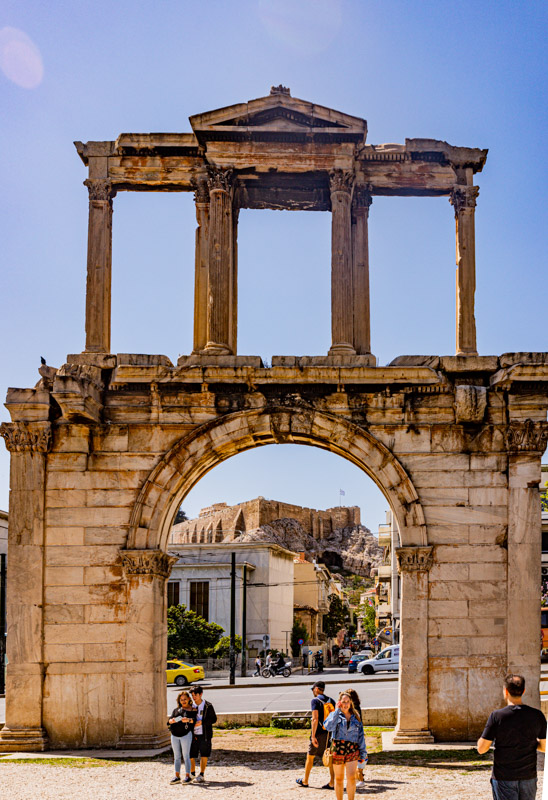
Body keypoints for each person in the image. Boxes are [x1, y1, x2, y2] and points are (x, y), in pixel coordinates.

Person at [477, 673, 546, 800]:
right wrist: (531, 742)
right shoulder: (537, 715)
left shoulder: (497, 716)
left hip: (504, 777)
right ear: (523, 691)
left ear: (505, 691)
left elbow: (482, 749)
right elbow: (544, 747)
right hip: (528, 777)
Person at [323, 691, 367, 800]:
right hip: (338, 748)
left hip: (352, 748)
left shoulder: (356, 716)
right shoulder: (335, 714)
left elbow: (361, 736)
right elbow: (328, 727)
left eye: (348, 701)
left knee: (351, 778)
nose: (346, 704)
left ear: (351, 702)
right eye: (343, 702)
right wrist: (337, 710)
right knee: (338, 779)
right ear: (339, 702)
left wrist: (363, 753)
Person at [296, 680, 335, 790]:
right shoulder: (331, 700)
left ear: (317, 689)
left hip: (318, 733)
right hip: (329, 733)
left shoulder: (315, 701)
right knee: (330, 756)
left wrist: (313, 736)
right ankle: (332, 782)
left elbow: (315, 718)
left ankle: (305, 780)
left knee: (310, 756)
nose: (313, 691)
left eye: (313, 689)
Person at [168, 690, 197, 784]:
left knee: (186, 756)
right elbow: (168, 722)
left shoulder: (193, 710)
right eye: (181, 700)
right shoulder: (176, 710)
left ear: (189, 699)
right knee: (176, 756)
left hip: (186, 735)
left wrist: (188, 720)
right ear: (179, 701)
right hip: (174, 735)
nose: (183, 701)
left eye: (185, 699)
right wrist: (171, 721)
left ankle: (188, 776)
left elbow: (195, 721)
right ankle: (177, 776)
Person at [189, 685, 217, 783]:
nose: (194, 697)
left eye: (195, 695)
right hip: (193, 734)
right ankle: (192, 773)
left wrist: (202, 722)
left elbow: (214, 719)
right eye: (192, 695)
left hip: (205, 734)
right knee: (190, 754)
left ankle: (201, 774)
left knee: (204, 754)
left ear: (201, 694)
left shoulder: (208, 706)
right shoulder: (190, 706)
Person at [345, 688, 367, 788]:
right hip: (358, 735)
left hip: (354, 736)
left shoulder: (354, 710)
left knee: (357, 758)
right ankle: (359, 777)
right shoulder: (358, 707)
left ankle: (360, 779)